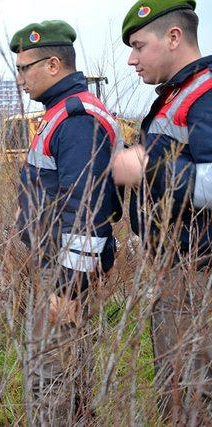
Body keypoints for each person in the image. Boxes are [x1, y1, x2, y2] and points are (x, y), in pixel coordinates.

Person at [10, 20, 121, 424]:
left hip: (65, 271)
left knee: (52, 377)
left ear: (54, 64)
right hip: (54, 264)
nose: (20, 78)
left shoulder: (76, 118)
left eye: (25, 68)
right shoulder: (59, 112)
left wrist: (66, 288)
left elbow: (85, 210)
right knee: (61, 377)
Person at [119, 1, 212, 422]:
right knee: (174, 392)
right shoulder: (176, 97)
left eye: (139, 46)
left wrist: (148, 165)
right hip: (174, 269)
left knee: (191, 398)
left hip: (197, 272)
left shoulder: (205, 95)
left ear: (174, 38)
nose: (131, 59)